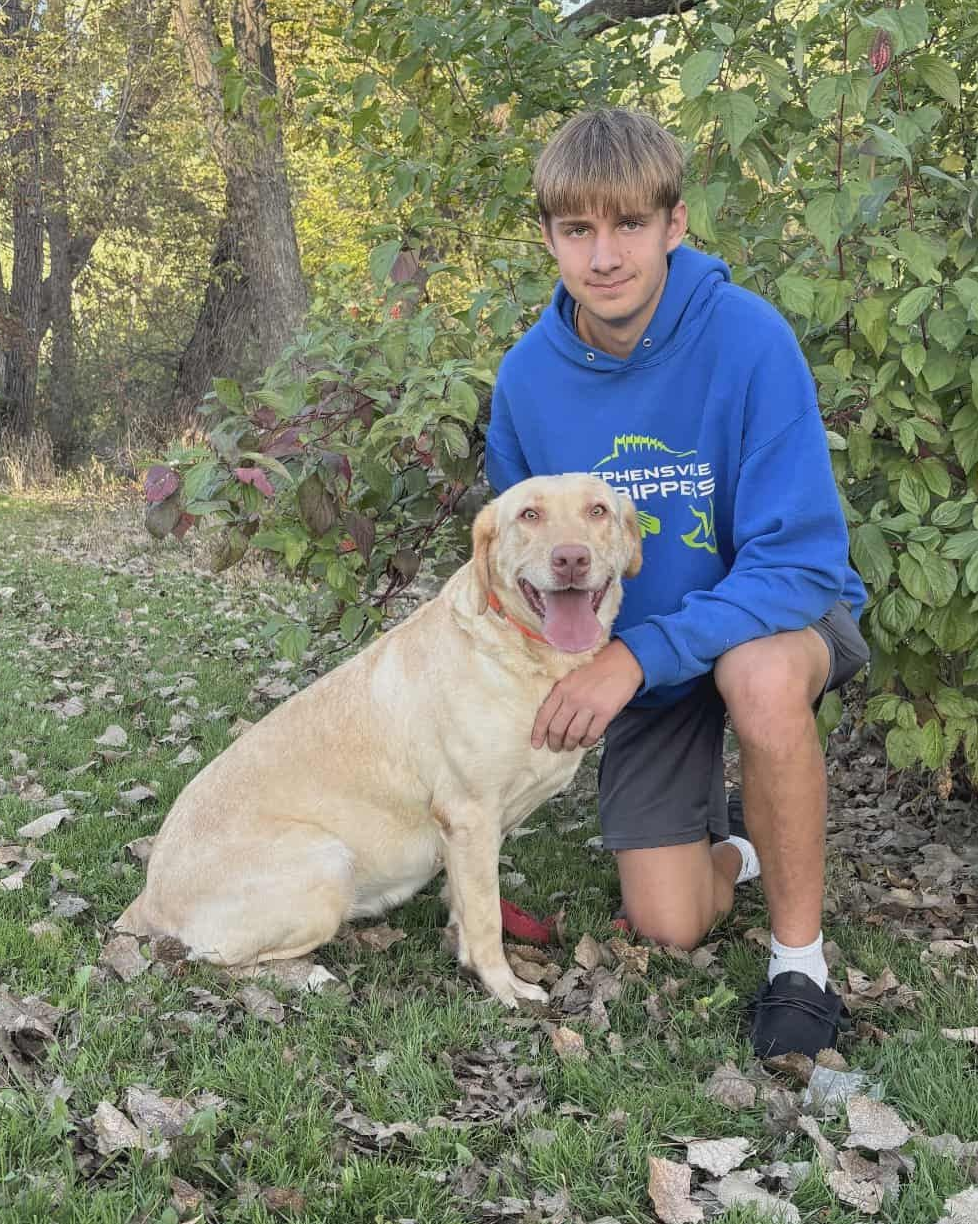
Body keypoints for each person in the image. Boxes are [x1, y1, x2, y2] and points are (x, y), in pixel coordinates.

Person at [485, 108, 870, 1060]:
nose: (604, 255)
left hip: (773, 616)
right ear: (549, 238)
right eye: (578, 230)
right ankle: (739, 845)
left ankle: (800, 968)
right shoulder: (527, 382)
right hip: (640, 661)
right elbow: (522, 569)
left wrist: (633, 656)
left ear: (675, 225)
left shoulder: (748, 339)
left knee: (759, 679)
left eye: (627, 226)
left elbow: (798, 559)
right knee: (668, 924)